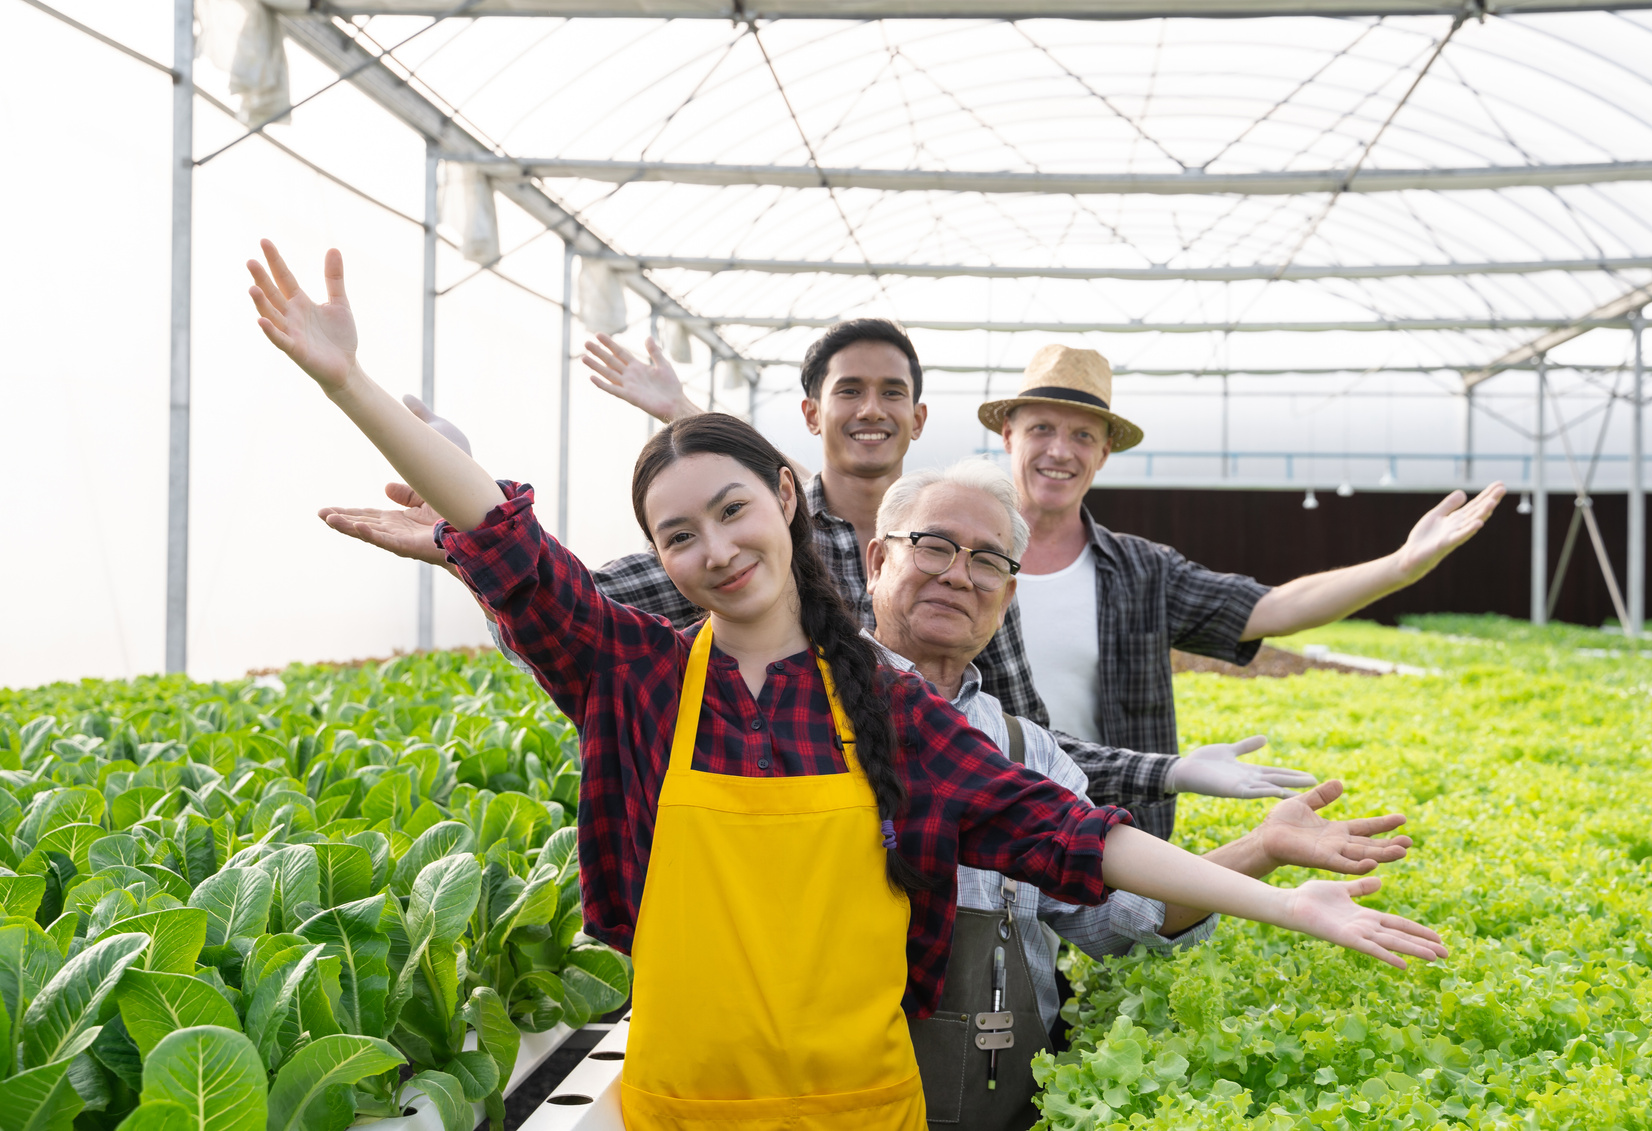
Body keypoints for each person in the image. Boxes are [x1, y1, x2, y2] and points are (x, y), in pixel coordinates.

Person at [246, 241, 1447, 1130]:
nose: (714, 549)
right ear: (659, 562)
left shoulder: (896, 718)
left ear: (787, 503)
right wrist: (348, 385)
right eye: (677, 537)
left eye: (731, 511)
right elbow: (506, 541)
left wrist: (1288, 896)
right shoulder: (634, 678)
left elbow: (1080, 839)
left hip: (867, 1106)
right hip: (673, 1104)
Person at [319, 324, 1319, 811]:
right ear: (811, 416)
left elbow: (1013, 744)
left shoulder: (955, 555)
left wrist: (1166, 776)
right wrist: (468, 531)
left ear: (921, 420)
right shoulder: (750, 549)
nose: (871, 409)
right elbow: (568, 609)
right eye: (849, 391)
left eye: (893, 393)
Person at [863, 459, 1416, 1129]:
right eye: (935, 545)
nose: (957, 573)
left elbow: (1122, 915)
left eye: (986, 560)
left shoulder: (1027, 751)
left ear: (1006, 597)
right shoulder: (807, 712)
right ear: (876, 559)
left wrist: (1263, 847)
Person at [979, 345, 1507, 837]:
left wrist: (1400, 566)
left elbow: (1273, 608)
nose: (1059, 451)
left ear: (1105, 452)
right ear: (1009, 436)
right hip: (988, 823)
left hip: (1111, 834)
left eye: (1083, 436)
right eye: (1041, 428)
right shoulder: (961, 557)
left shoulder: (1142, 571)